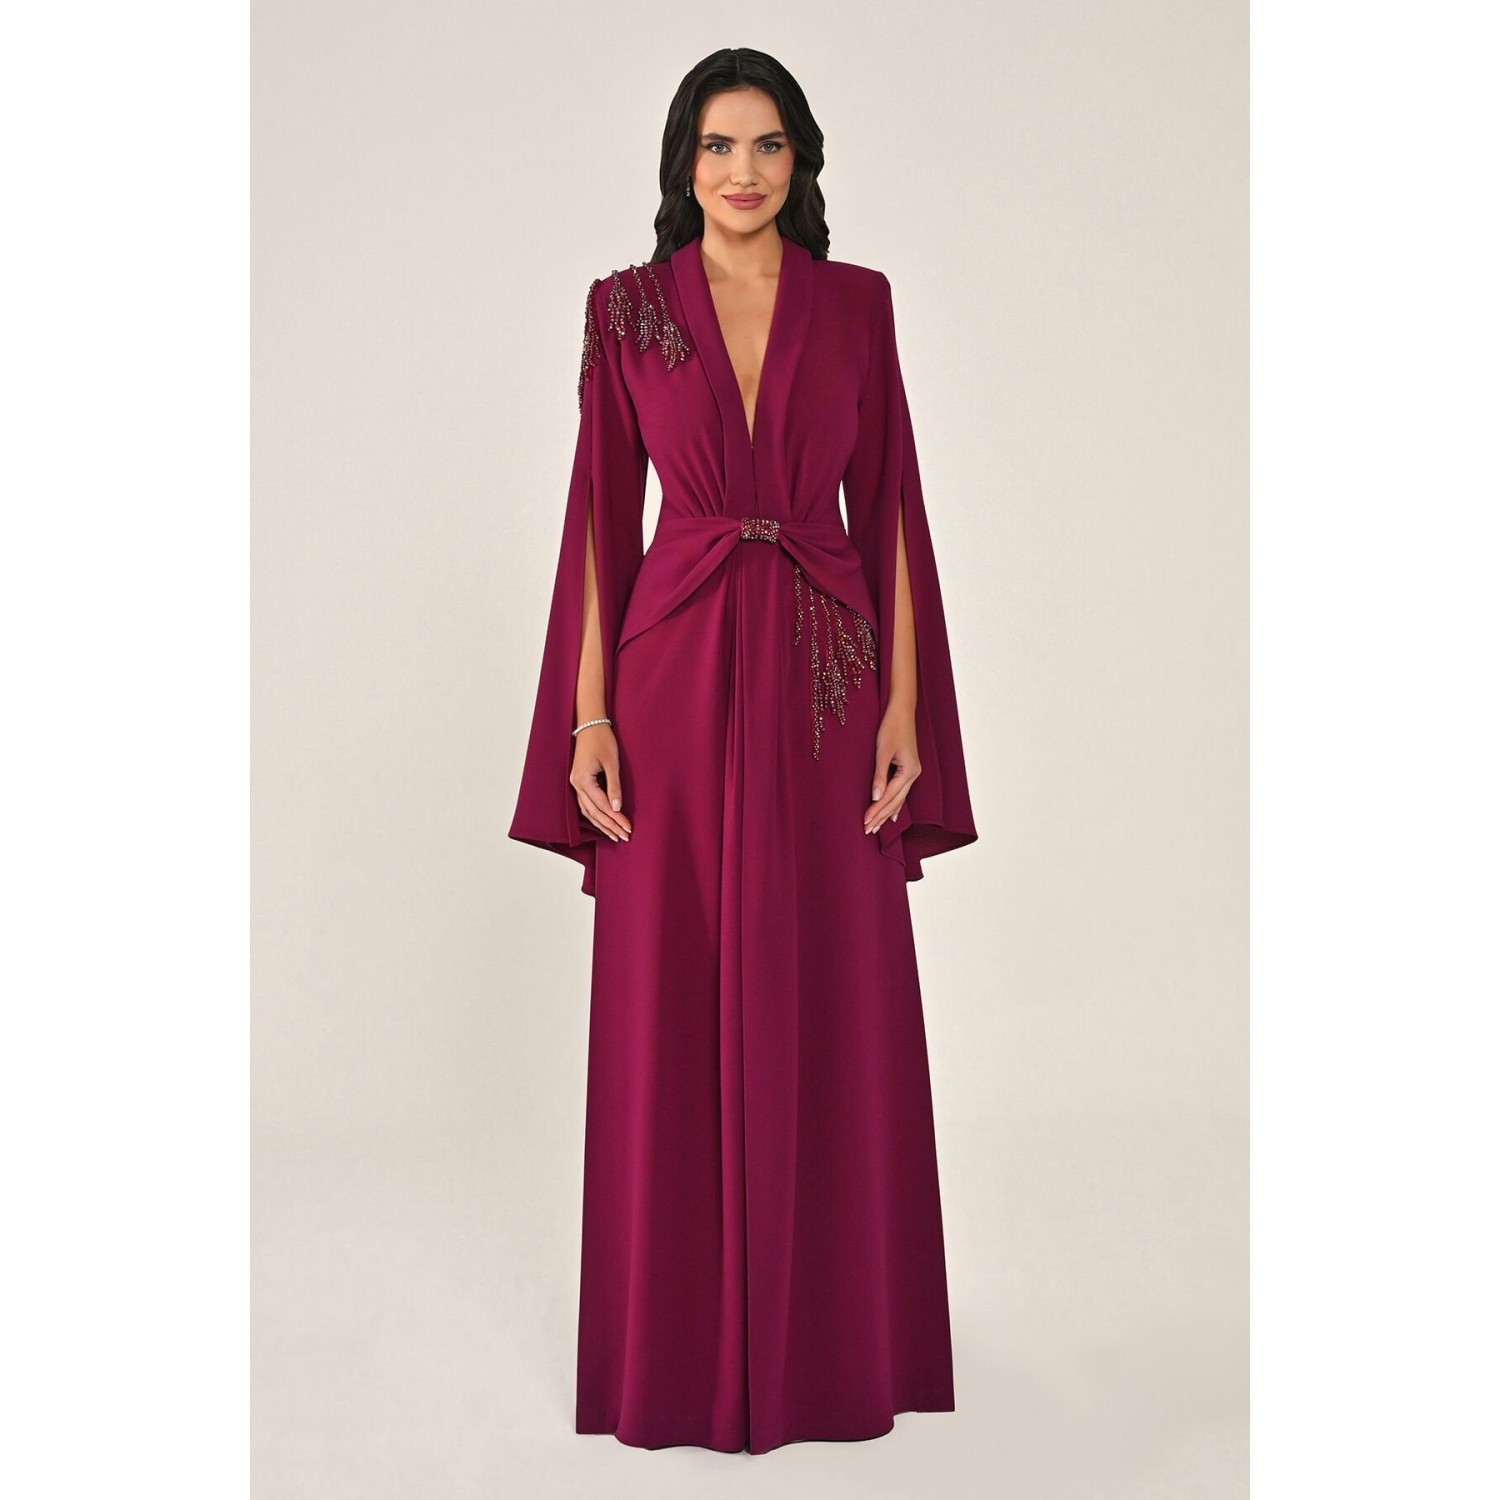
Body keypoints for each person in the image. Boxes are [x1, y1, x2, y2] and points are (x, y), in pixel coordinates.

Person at [509, 46, 979, 1455]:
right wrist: (588, 719)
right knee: (672, 995)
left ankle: (833, 1354)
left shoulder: (858, 304)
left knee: (834, 990)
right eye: (717, 146)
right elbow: (601, 521)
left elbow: (890, 506)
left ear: (801, 161)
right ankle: (674, 1362)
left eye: (768, 145)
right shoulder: (629, 311)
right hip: (666, 685)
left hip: (832, 686)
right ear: (683, 164)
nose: (743, 172)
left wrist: (904, 710)